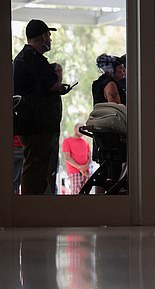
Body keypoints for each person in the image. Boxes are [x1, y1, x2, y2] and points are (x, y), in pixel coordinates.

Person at [13, 19, 70, 195]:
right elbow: (51, 85)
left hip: (35, 124)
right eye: (49, 35)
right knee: (35, 168)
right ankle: (32, 209)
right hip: (37, 126)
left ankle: (39, 207)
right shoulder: (32, 59)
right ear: (42, 36)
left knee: (39, 169)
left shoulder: (28, 59)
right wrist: (58, 74)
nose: (50, 39)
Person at [61, 124, 91, 194]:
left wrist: (85, 166)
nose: (82, 130)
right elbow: (67, 158)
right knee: (76, 193)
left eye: (84, 128)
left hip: (86, 173)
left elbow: (89, 157)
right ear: (75, 129)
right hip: (74, 172)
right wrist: (80, 167)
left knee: (86, 193)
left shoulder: (86, 142)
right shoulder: (67, 141)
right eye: (80, 128)